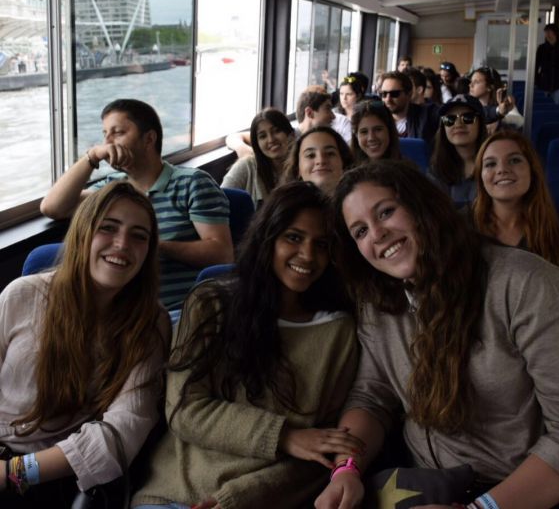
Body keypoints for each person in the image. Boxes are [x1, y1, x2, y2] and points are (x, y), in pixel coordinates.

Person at [315, 160, 559, 509]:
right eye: (360, 231)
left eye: (386, 212)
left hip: (519, 491)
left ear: (423, 207)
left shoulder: (529, 286)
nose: (377, 234)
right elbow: (372, 396)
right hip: (429, 481)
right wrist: (346, 470)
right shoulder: (379, 303)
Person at [132, 181, 360, 509]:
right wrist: (285, 436)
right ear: (268, 239)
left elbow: (323, 450)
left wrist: (238, 498)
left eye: (321, 244)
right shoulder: (210, 304)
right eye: (293, 238)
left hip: (262, 499)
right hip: (176, 491)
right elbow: (185, 409)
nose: (308, 255)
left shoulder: (339, 331)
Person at [0, 181, 170, 507]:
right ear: (83, 233)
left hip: (45, 475)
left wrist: (14, 473)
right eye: (108, 228)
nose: (122, 244)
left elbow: (121, 434)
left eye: (139, 236)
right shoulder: (21, 295)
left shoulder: (148, 325)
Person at [40, 99, 233, 313]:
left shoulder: (192, 183)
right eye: (105, 135)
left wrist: (150, 244)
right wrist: (92, 157)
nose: (108, 143)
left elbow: (221, 254)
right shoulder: (112, 188)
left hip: (179, 310)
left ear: (149, 139)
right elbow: (52, 207)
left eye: (118, 133)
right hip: (119, 312)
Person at [472, 129, 559, 344]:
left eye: (514, 160)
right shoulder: (460, 229)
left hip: (542, 343)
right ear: (480, 176)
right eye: (490, 164)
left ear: (532, 170)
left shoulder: (552, 232)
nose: (502, 169)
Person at [222, 108, 294, 207]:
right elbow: (219, 201)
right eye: (263, 136)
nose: (271, 140)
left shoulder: (304, 164)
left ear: (290, 134)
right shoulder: (247, 166)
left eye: (276, 131)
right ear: (257, 144)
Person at [429, 94, 488, 208]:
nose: (458, 124)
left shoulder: (495, 165)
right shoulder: (435, 170)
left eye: (467, 117)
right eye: (450, 119)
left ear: (480, 123)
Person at [282, 126, 353, 196]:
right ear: (298, 168)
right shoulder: (283, 203)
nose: (321, 161)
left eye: (330, 153)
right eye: (311, 155)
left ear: (343, 161)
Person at [380, 70, 438, 145]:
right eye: (384, 94)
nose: (388, 99)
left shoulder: (428, 115)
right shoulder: (377, 119)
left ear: (409, 94)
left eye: (394, 94)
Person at [535, 24, 559, 105]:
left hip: (558, 80)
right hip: (544, 80)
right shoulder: (542, 48)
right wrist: (536, 81)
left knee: (555, 104)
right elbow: (536, 65)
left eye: (549, 32)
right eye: (546, 32)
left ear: (555, 33)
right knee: (543, 104)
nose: (547, 35)